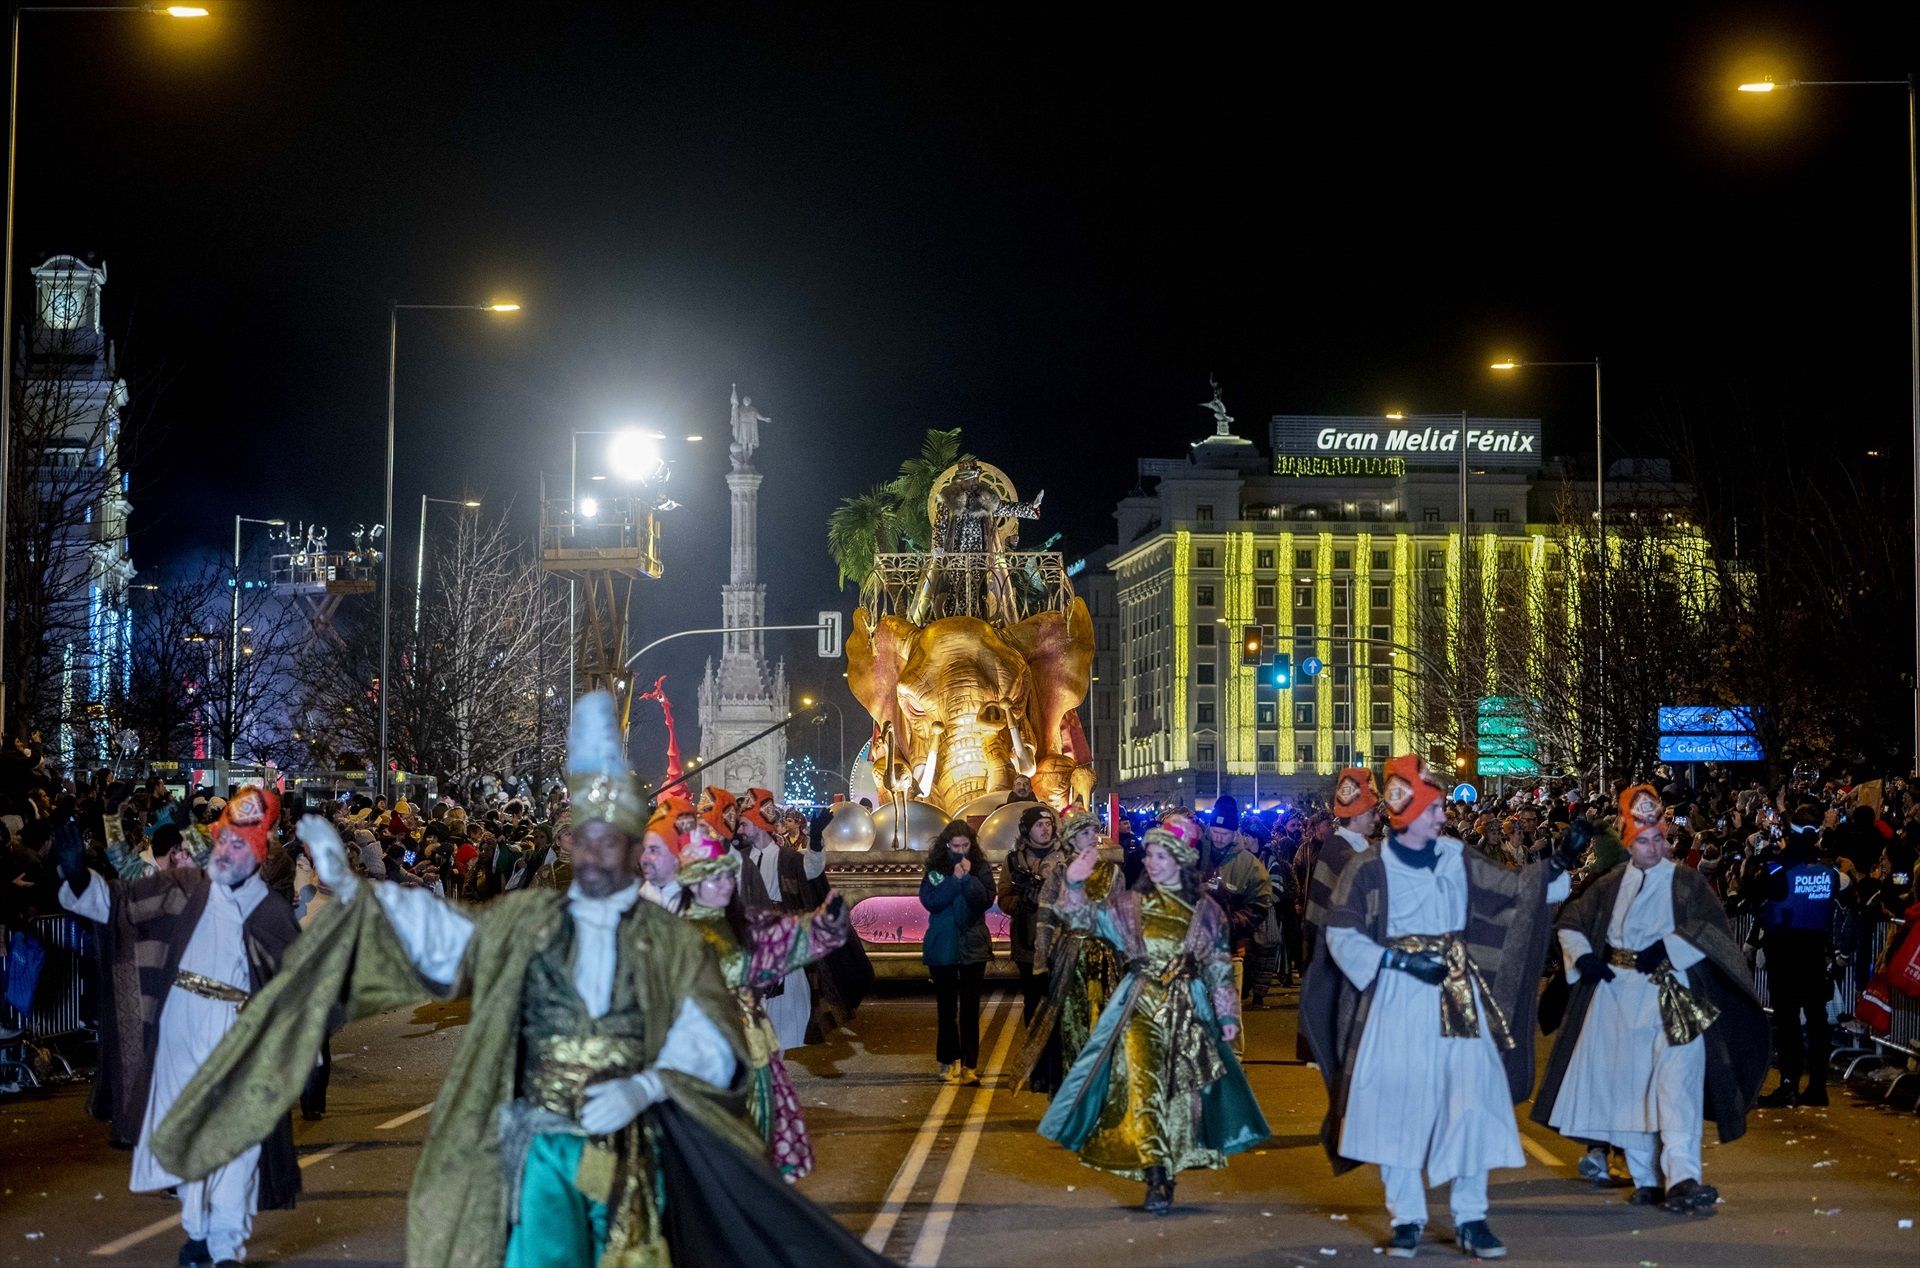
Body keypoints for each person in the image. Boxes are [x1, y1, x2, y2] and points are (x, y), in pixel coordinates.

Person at [153, 692, 886, 1268]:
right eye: (589, 844)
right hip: (542, 1148)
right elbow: (439, 941)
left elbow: (711, 1030)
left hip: (633, 1151)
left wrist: (644, 1084)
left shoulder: (671, 940)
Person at [1301, 754, 1574, 1260]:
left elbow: (1514, 894)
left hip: (1455, 994)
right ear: (1408, 813)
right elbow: (1341, 934)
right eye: (1433, 809)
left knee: (1471, 1101)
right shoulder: (1367, 868)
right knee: (1397, 1106)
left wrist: (1556, 866)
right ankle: (1406, 1218)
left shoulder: (1457, 857)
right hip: (1395, 998)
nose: (1443, 817)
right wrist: (1396, 965)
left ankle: (1472, 1217)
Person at [57, 787, 300, 1268]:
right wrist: (76, 875)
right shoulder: (183, 887)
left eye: (239, 845)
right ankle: (198, 1231)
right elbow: (116, 902)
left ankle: (225, 1243)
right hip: (181, 1028)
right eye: (224, 841)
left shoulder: (267, 910)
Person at [1533, 784, 1767, 1214]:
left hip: (1674, 995)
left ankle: (1682, 1176)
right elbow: (1571, 920)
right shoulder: (1608, 886)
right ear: (1628, 841)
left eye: (1658, 838)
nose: (1653, 846)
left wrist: (1673, 947)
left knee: (1677, 1088)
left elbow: (1714, 929)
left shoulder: (1687, 883)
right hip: (1618, 998)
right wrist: (1584, 959)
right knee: (1631, 1089)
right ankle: (1646, 1179)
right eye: (1643, 840)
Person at [1037, 826, 1269, 1215]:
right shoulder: (1128, 906)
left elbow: (1216, 966)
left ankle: (1169, 1164)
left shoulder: (1206, 911)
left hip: (1189, 1009)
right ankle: (1156, 1173)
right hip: (1139, 1008)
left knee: (1179, 1095)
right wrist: (1074, 884)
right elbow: (1082, 922)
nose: (1151, 863)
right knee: (1145, 1088)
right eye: (1148, 856)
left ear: (1180, 859)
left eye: (1160, 856)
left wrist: (1227, 1014)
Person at [672, 820, 852, 1180]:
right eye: (714, 877)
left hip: (753, 1049)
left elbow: (784, 938)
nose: (725, 884)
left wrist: (823, 924)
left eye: (727, 876)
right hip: (700, 1055)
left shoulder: (744, 922)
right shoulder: (671, 932)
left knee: (760, 1144)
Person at [1008, 810, 1126, 1095]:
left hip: (1104, 958)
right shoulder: (1060, 875)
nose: (1091, 838)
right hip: (1070, 956)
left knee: (1105, 1022)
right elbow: (1046, 920)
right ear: (1071, 840)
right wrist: (1040, 964)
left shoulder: (1112, 873)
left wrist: (1127, 957)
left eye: (1093, 832)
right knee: (1071, 1025)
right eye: (1084, 833)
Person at [1754, 806, 1845, 1107]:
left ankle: (1789, 1083)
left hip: (1785, 953)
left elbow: (1755, 893)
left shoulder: (1778, 870)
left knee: (1788, 1022)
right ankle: (1817, 1087)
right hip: (1814, 953)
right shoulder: (1830, 873)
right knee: (1817, 1023)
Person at [920, 820, 994, 1084]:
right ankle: (947, 1060)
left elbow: (985, 900)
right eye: (955, 846)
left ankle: (970, 1064)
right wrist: (955, 881)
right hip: (943, 946)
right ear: (946, 845)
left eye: (965, 845)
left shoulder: (980, 868)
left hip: (973, 945)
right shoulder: (936, 869)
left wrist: (970, 880)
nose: (961, 851)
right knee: (946, 1008)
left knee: (971, 1009)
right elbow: (931, 901)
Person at [999, 804, 1059, 1024]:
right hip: (1027, 943)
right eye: (1039, 825)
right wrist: (1023, 901)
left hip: (1059, 941)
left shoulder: (1066, 857)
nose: (1045, 829)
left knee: (1058, 1002)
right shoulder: (1014, 860)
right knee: (1032, 1001)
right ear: (1027, 830)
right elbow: (1003, 898)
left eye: (1048, 824)